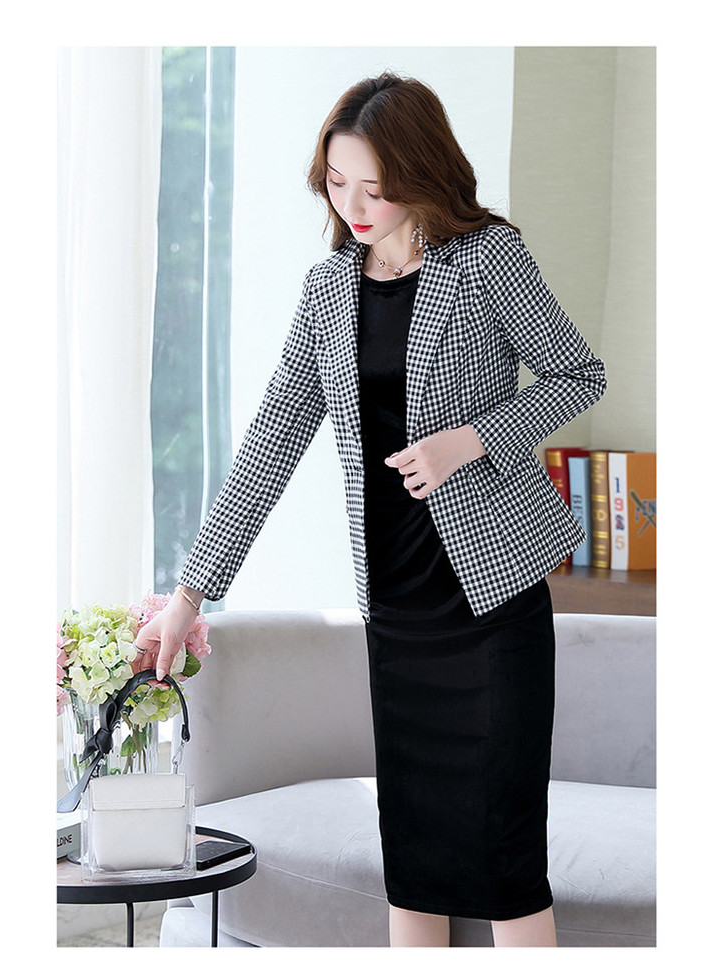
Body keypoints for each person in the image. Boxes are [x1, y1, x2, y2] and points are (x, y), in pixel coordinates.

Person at [132, 71, 607, 947]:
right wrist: (188, 597)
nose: (352, 206)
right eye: (336, 182)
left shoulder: (488, 260)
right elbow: (271, 443)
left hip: (491, 608)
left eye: (374, 188)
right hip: (397, 610)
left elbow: (580, 374)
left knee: (506, 865)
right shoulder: (327, 290)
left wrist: (472, 439)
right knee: (414, 864)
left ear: (419, 173)